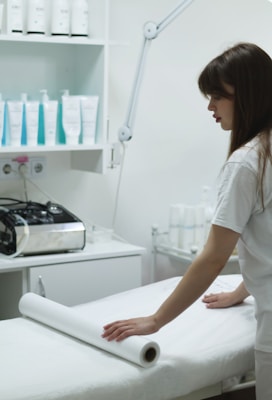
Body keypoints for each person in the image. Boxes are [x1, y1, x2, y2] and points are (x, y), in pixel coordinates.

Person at [102, 42, 272, 400]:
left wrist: (156, 320)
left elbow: (213, 256)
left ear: (247, 96)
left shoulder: (247, 163)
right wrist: (242, 291)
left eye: (217, 96)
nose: (210, 106)